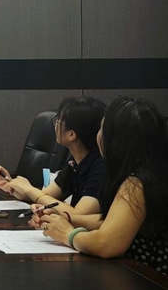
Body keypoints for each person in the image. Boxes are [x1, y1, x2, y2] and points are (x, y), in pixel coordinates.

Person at [38, 97, 168, 274]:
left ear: (117, 140)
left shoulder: (137, 183)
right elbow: (112, 221)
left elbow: (106, 244)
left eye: (102, 129)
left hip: (149, 280)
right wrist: (68, 219)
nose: (98, 136)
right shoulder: (153, 171)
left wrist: (68, 234)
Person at [0, 96, 106, 216]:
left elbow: (78, 214)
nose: (55, 124)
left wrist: (29, 189)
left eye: (58, 121)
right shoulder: (75, 162)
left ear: (71, 134)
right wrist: (10, 184)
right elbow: (46, 196)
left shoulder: (101, 167)